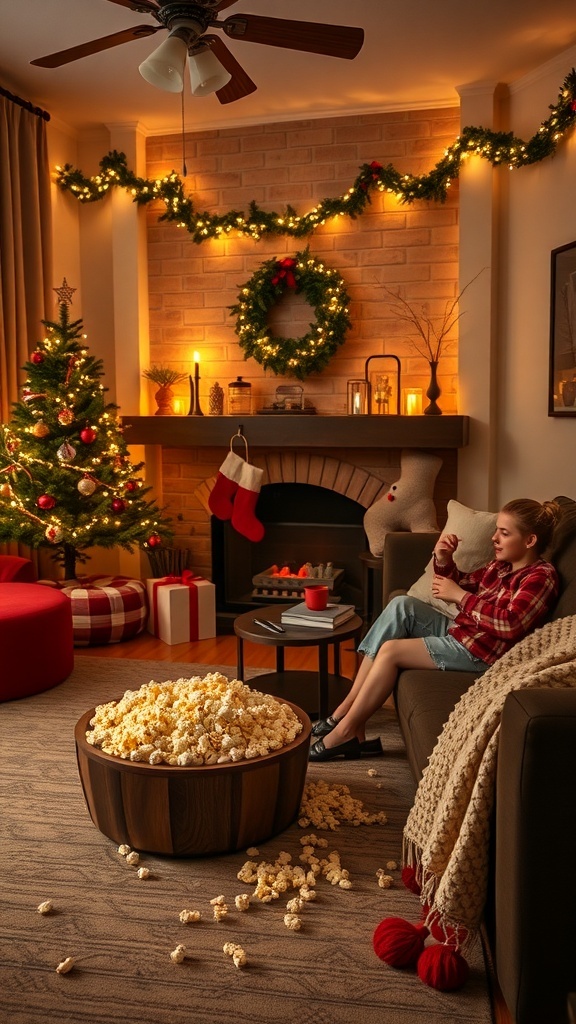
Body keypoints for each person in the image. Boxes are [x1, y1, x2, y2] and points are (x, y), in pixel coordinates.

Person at [309, 498, 562, 761]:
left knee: (392, 651)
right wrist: (444, 558)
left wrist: (461, 597)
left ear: (530, 541)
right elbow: (461, 583)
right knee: (401, 605)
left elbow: (510, 624)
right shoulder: (501, 566)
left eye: (504, 533)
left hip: (480, 652)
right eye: (496, 529)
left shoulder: (541, 577)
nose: (494, 537)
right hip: (463, 631)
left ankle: (347, 729)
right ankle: (346, 712)